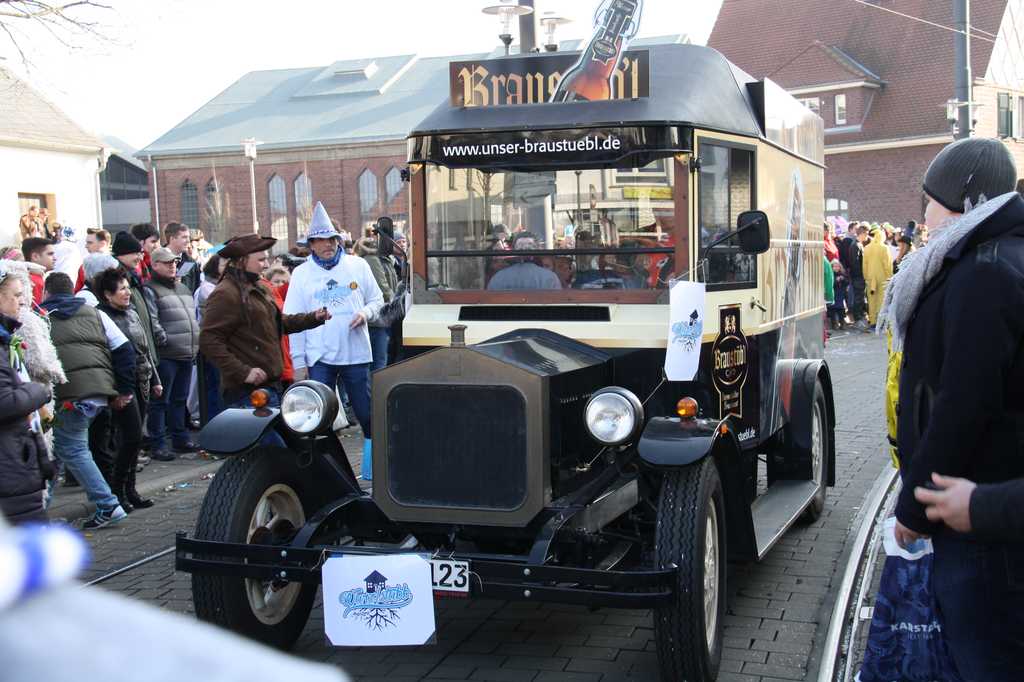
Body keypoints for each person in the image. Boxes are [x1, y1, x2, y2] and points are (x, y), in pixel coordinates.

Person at [877, 136, 1024, 679]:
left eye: (930, 203)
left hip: (978, 521)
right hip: (984, 507)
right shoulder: (993, 257)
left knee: (986, 658)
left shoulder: (984, 271)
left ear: (964, 201)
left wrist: (914, 510)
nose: (924, 218)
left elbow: (962, 404)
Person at [284, 202, 381, 477]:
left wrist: (365, 313)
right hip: (319, 357)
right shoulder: (301, 274)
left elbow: (377, 300)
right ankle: (326, 473)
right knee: (317, 418)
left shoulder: (358, 265)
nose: (327, 245)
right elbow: (293, 320)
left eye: (331, 239)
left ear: (339, 240)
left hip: (356, 354)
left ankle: (374, 470)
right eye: (321, 240)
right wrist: (298, 363)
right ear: (311, 245)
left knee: (367, 414)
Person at [41, 273, 134, 529]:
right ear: (72, 290)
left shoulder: (41, 317)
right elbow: (125, 349)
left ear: (46, 293)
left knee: (71, 448)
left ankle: (108, 504)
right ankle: (39, 510)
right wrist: (122, 391)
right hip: (97, 392)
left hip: (67, 395)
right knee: (57, 450)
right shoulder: (95, 313)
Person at [201, 234, 329, 413]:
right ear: (242, 260)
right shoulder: (226, 293)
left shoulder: (258, 286)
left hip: (270, 386)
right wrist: (243, 372)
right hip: (247, 393)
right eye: (261, 260)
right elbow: (209, 340)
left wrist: (313, 318)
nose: (267, 265)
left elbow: (278, 322)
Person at [96, 268, 161, 511]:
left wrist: (155, 380)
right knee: (130, 437)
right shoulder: (101, 317)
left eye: (127, 288)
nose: (127, 293)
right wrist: (115, 391)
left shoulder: (132, 313)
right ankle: (117, 490)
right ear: (107, 294)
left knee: (135, 439)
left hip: (142, 379)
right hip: (121, 384)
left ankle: (131, 490)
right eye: (121, 289)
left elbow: (145, 350)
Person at [0, 263, 53, 524]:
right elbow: (5, 402)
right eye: (17, 295)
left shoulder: (6, 337)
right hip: (9, 464)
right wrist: (37, 390)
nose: (22, 302)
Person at [144, 247, 200, 460]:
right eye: (167, 263)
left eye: (174, 263)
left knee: (179, 399)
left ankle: (180, 438)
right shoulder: (150, 289)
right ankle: (158, 443)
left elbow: (192, 316)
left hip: (185, 351)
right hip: (167, 354)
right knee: (160, 402)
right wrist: (164, 341)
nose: (172, 266)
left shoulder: (182, 288)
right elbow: (152, 320)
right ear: (155, 265)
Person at [356, 218, 399, 371]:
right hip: (377, 321)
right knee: (378, 365)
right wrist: (396, 304)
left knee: (382, 362)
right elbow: (383, 289)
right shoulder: (372, 258)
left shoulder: (383, 258)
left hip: (384, 318)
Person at [487, 232, 562, 290]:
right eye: (521, 245)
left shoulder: (498, 277)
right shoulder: (550, 277)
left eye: (529, 244)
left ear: (514, 249)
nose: (524, 248)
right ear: (537, 249)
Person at [862, 226, 893, 328]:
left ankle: (872, 321)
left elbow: (864, 264)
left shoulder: (867, 248)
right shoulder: (884, 248)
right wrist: (890, 277)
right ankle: (880, 321)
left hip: (871, 277)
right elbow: (887, 265)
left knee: (871, 299)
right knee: (881, 299)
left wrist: (866, 277)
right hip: (882, 277)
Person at [164, 222, 199, 294]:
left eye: (188, 237)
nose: (188, 241)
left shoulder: (191, 263)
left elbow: (195, 290)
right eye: (184, 237)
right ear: (172, 239)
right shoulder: (157, 260)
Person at [20, 238, 54, 308]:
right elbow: (37, 311)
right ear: (35, 256)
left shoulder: (33, 277)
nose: (55, 258)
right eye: (50, 254)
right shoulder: (35, 281)